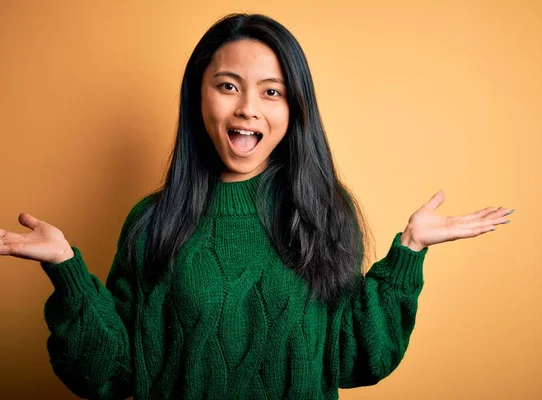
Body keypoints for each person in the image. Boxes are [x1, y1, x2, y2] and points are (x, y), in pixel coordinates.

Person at [0, 13, 514, 400]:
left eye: (272, 92)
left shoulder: (324, 216)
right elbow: (109, 374)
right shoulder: (152, 221)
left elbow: (356, 358)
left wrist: (410, 250)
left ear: (294, 110)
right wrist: (64, 268)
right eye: (228, 86)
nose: (247, 107)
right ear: (198, 97)